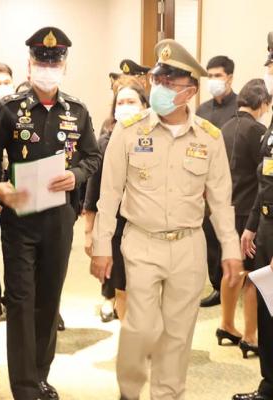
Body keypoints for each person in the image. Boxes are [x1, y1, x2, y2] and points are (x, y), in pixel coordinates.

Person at [90, 39, 243, 400]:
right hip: (142, 241)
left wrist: (230, 249)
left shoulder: (209, 138)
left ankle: (167, 395)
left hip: (188, 244)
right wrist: (101, 246)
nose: (159, 88)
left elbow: (221, 201)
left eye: (169, 83)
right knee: (141, 328)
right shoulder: (129, 131)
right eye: (157, 80)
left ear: (190, 91)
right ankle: (129, 392)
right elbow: (108, 194)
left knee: (177, 333)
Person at [0, 26, 101, 400]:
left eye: (54, 61)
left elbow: (92, 157)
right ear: (30, 64)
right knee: (21, 300)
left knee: (49, 300)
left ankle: (39, 375)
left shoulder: (78, 111)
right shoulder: (8, 109)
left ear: (64, 65)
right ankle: (24, 387)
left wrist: (76, 175)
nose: (47, 67)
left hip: (59, 218)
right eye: (41, 61)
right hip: (20, 218)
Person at [84, 78, 149, 322]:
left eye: (131, 102)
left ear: (144, 106)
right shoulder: (106, 141)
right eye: (120, 103)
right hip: (118, 226)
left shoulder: (157, 138)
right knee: (123, 288)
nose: (125, 107)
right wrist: (89, 232)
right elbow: (94, 189)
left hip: (150, 226)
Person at [216, 79, 271, 357]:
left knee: (231, 270)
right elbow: (265, 179)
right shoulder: (258, 131)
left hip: (226, 208)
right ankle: (251, 336)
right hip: (250, 213)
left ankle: (226, 324)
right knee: (252, 276)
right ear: (262, 103)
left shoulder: (223, 128)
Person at [232, 43, 273, 400]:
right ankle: (268, 384)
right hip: (266, 225)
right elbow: (266, 177)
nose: (269, 73)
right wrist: (251, 225)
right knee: (267, 308)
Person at [196, 55, 238, 307]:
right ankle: (216, 286)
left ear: (229, 78)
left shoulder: (239, 108)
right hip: (203, 184)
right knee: (209, 236)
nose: (212, 80)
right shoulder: (202, 110)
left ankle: (232, 285)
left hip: (233, 182)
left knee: (229, 235)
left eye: (217, 76)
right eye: (209, 76)